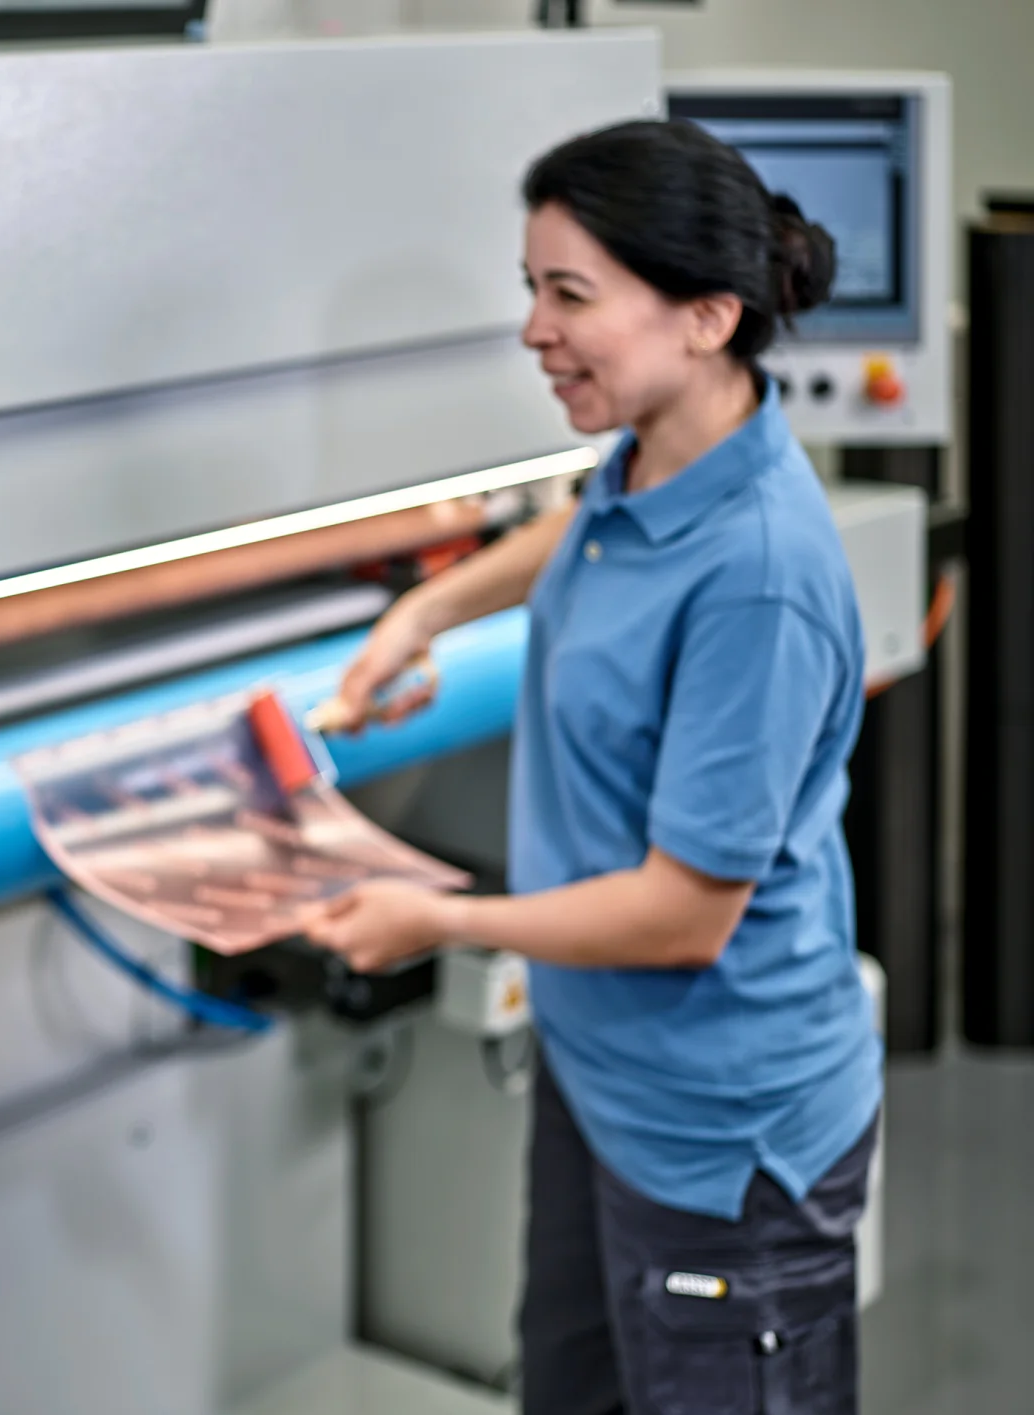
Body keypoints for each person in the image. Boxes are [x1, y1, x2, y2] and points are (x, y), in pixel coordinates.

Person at [303, 119, 882, 1415]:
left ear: (707, 317)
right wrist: (420, 616)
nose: (533, 330)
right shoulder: (652, 459)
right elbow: (585, 530)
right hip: (604, 1079)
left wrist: (432, 919)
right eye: (532, 288)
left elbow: (685, 916)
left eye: (571, 295)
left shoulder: (761, 578)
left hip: (722, 1138)